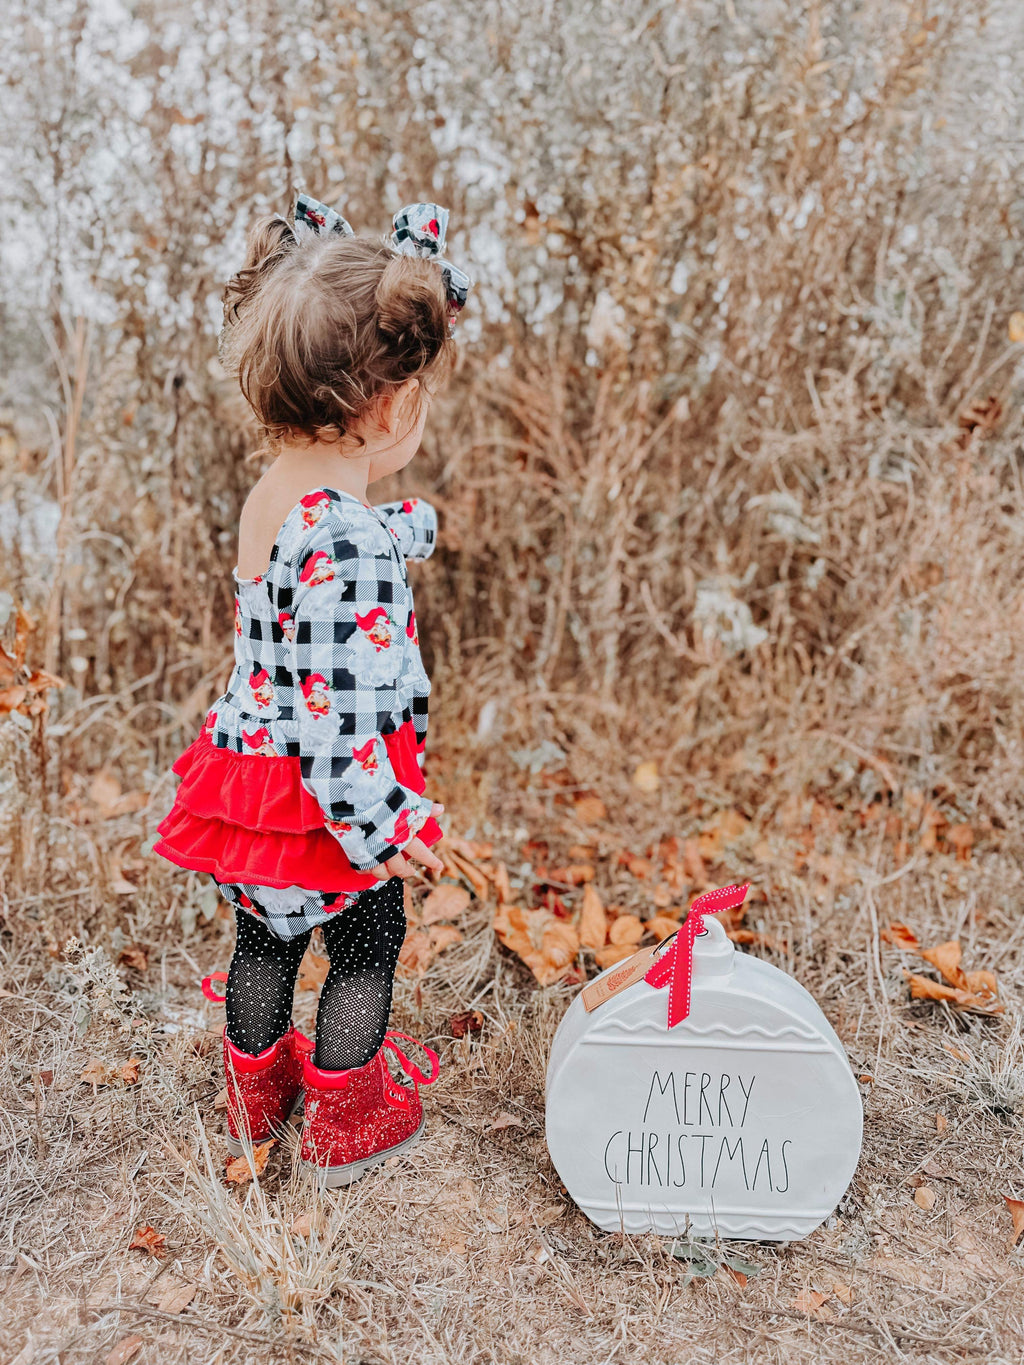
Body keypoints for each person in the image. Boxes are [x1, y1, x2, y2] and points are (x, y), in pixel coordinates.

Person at [153, 192, 472, 1186]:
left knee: (266, 939)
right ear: (386, 407)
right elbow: (340, 727)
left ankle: (254, 1097)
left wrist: (407, 524)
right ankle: (347, 1114)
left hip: (254, 783)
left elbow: (330, 551)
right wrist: (395, 825)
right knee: (367, 941)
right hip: (326, 793)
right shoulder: (345, 536)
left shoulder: (276, 496)